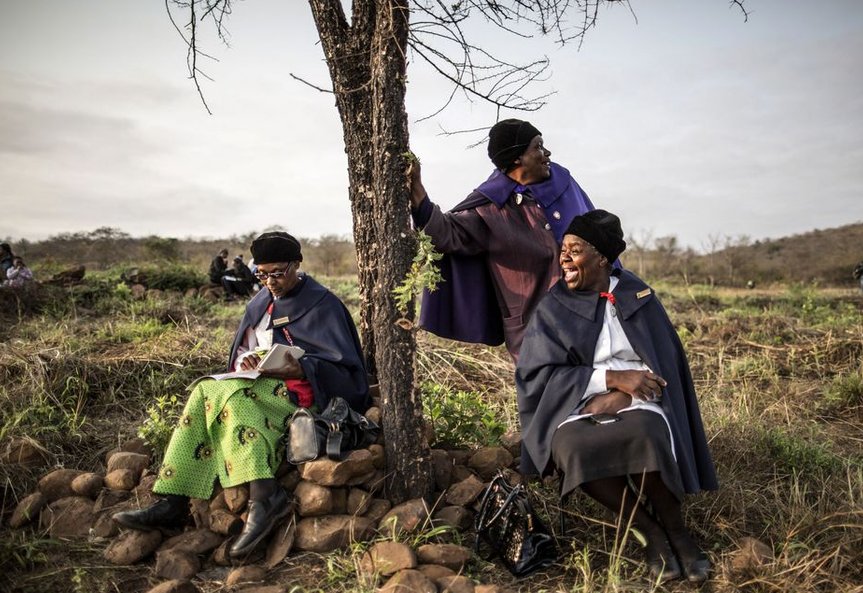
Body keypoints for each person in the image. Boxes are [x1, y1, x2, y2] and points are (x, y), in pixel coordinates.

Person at [114, 232, 370, 557]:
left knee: (236, 396)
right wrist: (247, 360)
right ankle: (174, 500)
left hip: (304, 392)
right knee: (204, 389)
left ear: (297, 265)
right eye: (262, 274)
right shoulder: (259, 301)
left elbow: (347, 369)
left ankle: (265, 497)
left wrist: (302, 369)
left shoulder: (323, 304)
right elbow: (245, 349)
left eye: (278, 273)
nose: (270, 281)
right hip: (259, 382)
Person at [516, 210, 718, 584]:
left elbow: (664, 359)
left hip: (640, 397)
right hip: (576, 401)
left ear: (602, 258)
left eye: (574, 250)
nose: (564, 259)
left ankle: (678, 532)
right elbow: (536, 375)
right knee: (574, 447)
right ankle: (648, 532)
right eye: (563, 250)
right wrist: (607, 379)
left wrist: (628, 390)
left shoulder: (637, 295)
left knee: (646, 437)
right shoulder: (552, 307)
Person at [409, 119, 599, 361]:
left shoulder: (563, 183)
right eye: (538, 146)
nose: (547, 153)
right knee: (550, 392)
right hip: (534, 329)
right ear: (518, 158)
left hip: (588, 314)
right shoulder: (489, 207)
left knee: (599, 385)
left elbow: (598, 235)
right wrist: (416, 189)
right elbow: (446, 233)